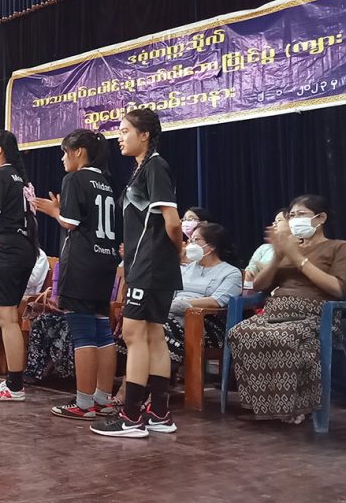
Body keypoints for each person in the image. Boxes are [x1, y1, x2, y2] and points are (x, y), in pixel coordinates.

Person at [91, 108, 183, 438]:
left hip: (152, 264)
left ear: (144, 135)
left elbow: (172, 222)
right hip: (147, 262)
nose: (120, 137)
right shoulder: (142, 169)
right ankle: (159, 413)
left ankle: (131, 416)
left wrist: (176, 250)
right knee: (154, 335)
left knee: (133, 334)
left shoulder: (155, 166)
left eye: (125, 131)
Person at [228, 195, 346, 424]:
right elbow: (260, 285)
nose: (295, 220)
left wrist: (299, 259)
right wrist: (278, 256)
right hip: (276, 311)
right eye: (292, 215)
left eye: (301, 214)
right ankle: (264, 406)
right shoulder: (286, 249)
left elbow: (338, 289)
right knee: (240, 332)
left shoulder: (339, 247)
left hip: (314, 314)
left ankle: (293, 408)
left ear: (321, 218)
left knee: (283, 337)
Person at [35, 128, 120, 420]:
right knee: (103, 331)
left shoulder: (74, 178)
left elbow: (70, 222)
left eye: (64, 152)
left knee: (83, 332)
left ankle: (83, 404)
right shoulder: (106, 182)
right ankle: (103, 400)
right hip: (106, 262)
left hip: (82, 262)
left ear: (79, 152)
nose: (62, 159)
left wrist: (53, 211)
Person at [0, 129, 38, 402]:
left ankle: (14, 386)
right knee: (11, 317)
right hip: (26, 250)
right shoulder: (22, 180)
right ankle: (14, 383)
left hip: (7, 250)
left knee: (7, 319)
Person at [160, 222, 243, 363]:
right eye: (190, 240)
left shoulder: (231, 273)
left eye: (196, 240)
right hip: (171, 314)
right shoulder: (184, 269)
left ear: (212, 246)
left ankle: (160, 371)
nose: (190, 244)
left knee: (158, 327)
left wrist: (181, 305)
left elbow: (216, 301)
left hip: (206, 322)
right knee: (142, 324)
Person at [244, 210, 287, 287]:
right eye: (274, 221)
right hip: (257, 286)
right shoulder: (264, 248)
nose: (274, 224)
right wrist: (249, 272)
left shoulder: (297, 247)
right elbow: (252, 266)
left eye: (279, 220)